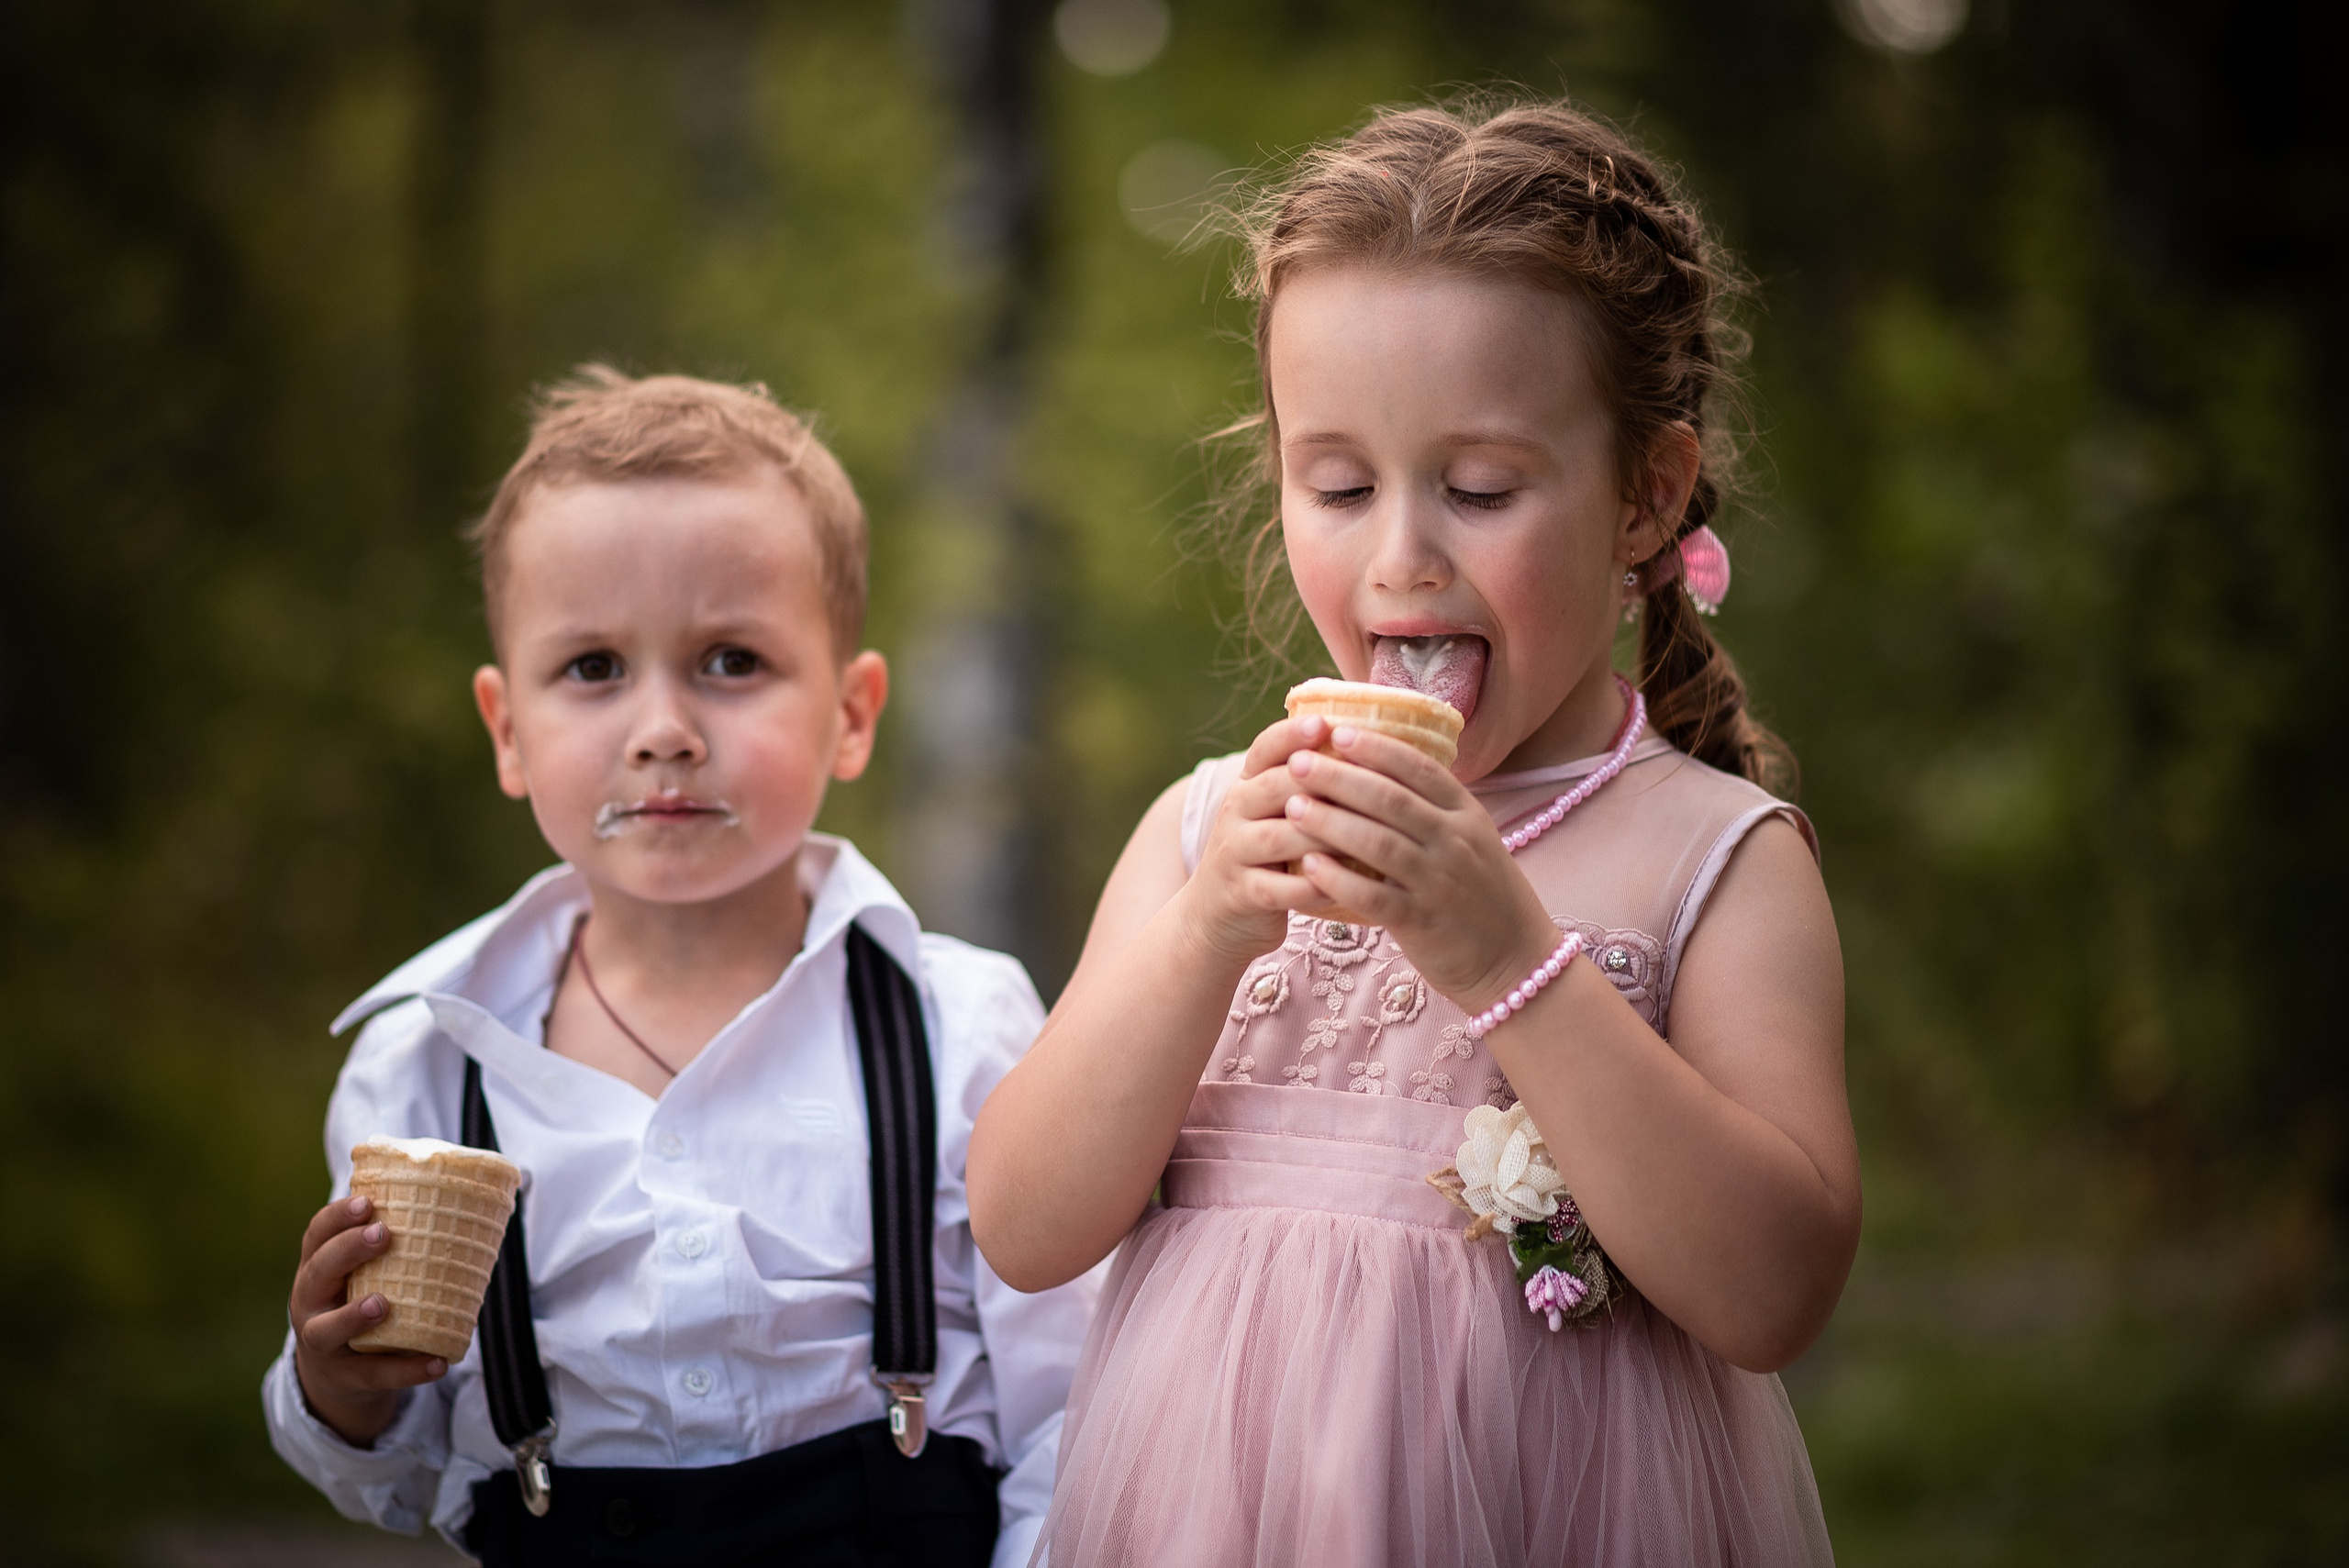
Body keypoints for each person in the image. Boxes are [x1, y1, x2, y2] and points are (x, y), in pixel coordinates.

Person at [967, 98, 1855, 1565]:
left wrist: (1511, 954)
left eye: (1481, 488)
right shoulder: (1207, 836)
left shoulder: (1717, 856)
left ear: (1647, 497)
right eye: (1338, 484)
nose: (1400, 555)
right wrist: (1200, 939)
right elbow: (1025, 1224)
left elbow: (1774, 1292)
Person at [261, 367, 1098, 1566]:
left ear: (852, 714)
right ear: (508, 729)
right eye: (595, 668)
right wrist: (342, 1385)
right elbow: (399, 1475)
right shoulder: (429, 1067)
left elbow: (1070, 1409)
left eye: (731, 661)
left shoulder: (958, 1022)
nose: (664, 726)